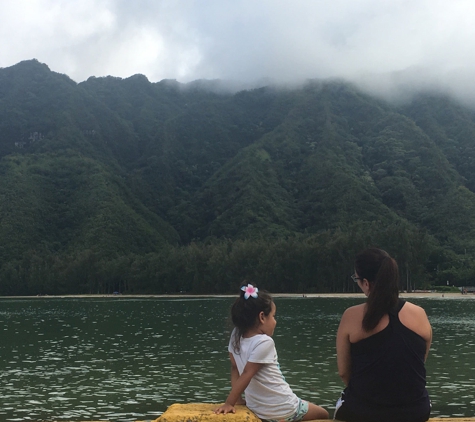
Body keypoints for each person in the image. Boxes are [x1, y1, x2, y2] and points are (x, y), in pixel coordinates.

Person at [334, 248, 432, 422]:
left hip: (362, 412)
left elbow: (344, 372)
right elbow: (417, 363)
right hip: (416, 412)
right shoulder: (419, 314)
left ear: (366, 283)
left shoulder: (351, 316)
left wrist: (369, 395)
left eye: (356, 279)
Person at [214, 282, 329, 421]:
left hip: (257, 409)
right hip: (283, 408)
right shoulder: (264, 342)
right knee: (324, 414)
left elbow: (235, 368)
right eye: (274, 316)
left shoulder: (236, 335)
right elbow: (247, 374)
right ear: (262, 317)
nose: (275, 322)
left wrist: (237, 400)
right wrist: (229, 403)